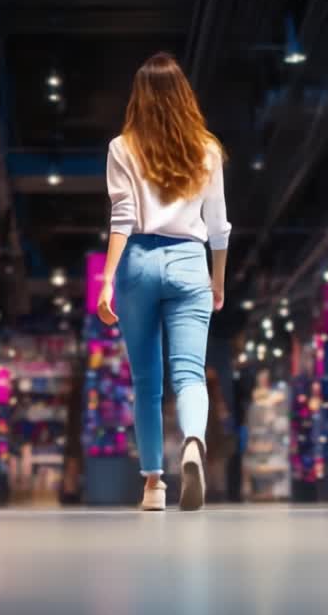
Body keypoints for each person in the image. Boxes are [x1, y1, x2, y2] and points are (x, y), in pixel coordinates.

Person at [96, 52, 231, 512]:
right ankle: (193, 441)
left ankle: (154, 484)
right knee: (190, 373)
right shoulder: (208, 150)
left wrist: (107, 280)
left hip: (138, 261)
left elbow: (123, 217)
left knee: (147, 383)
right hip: (192, 261)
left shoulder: (122, 147)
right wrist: (218, 280)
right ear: (184, 97)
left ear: (140, 97)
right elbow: (219, 225)